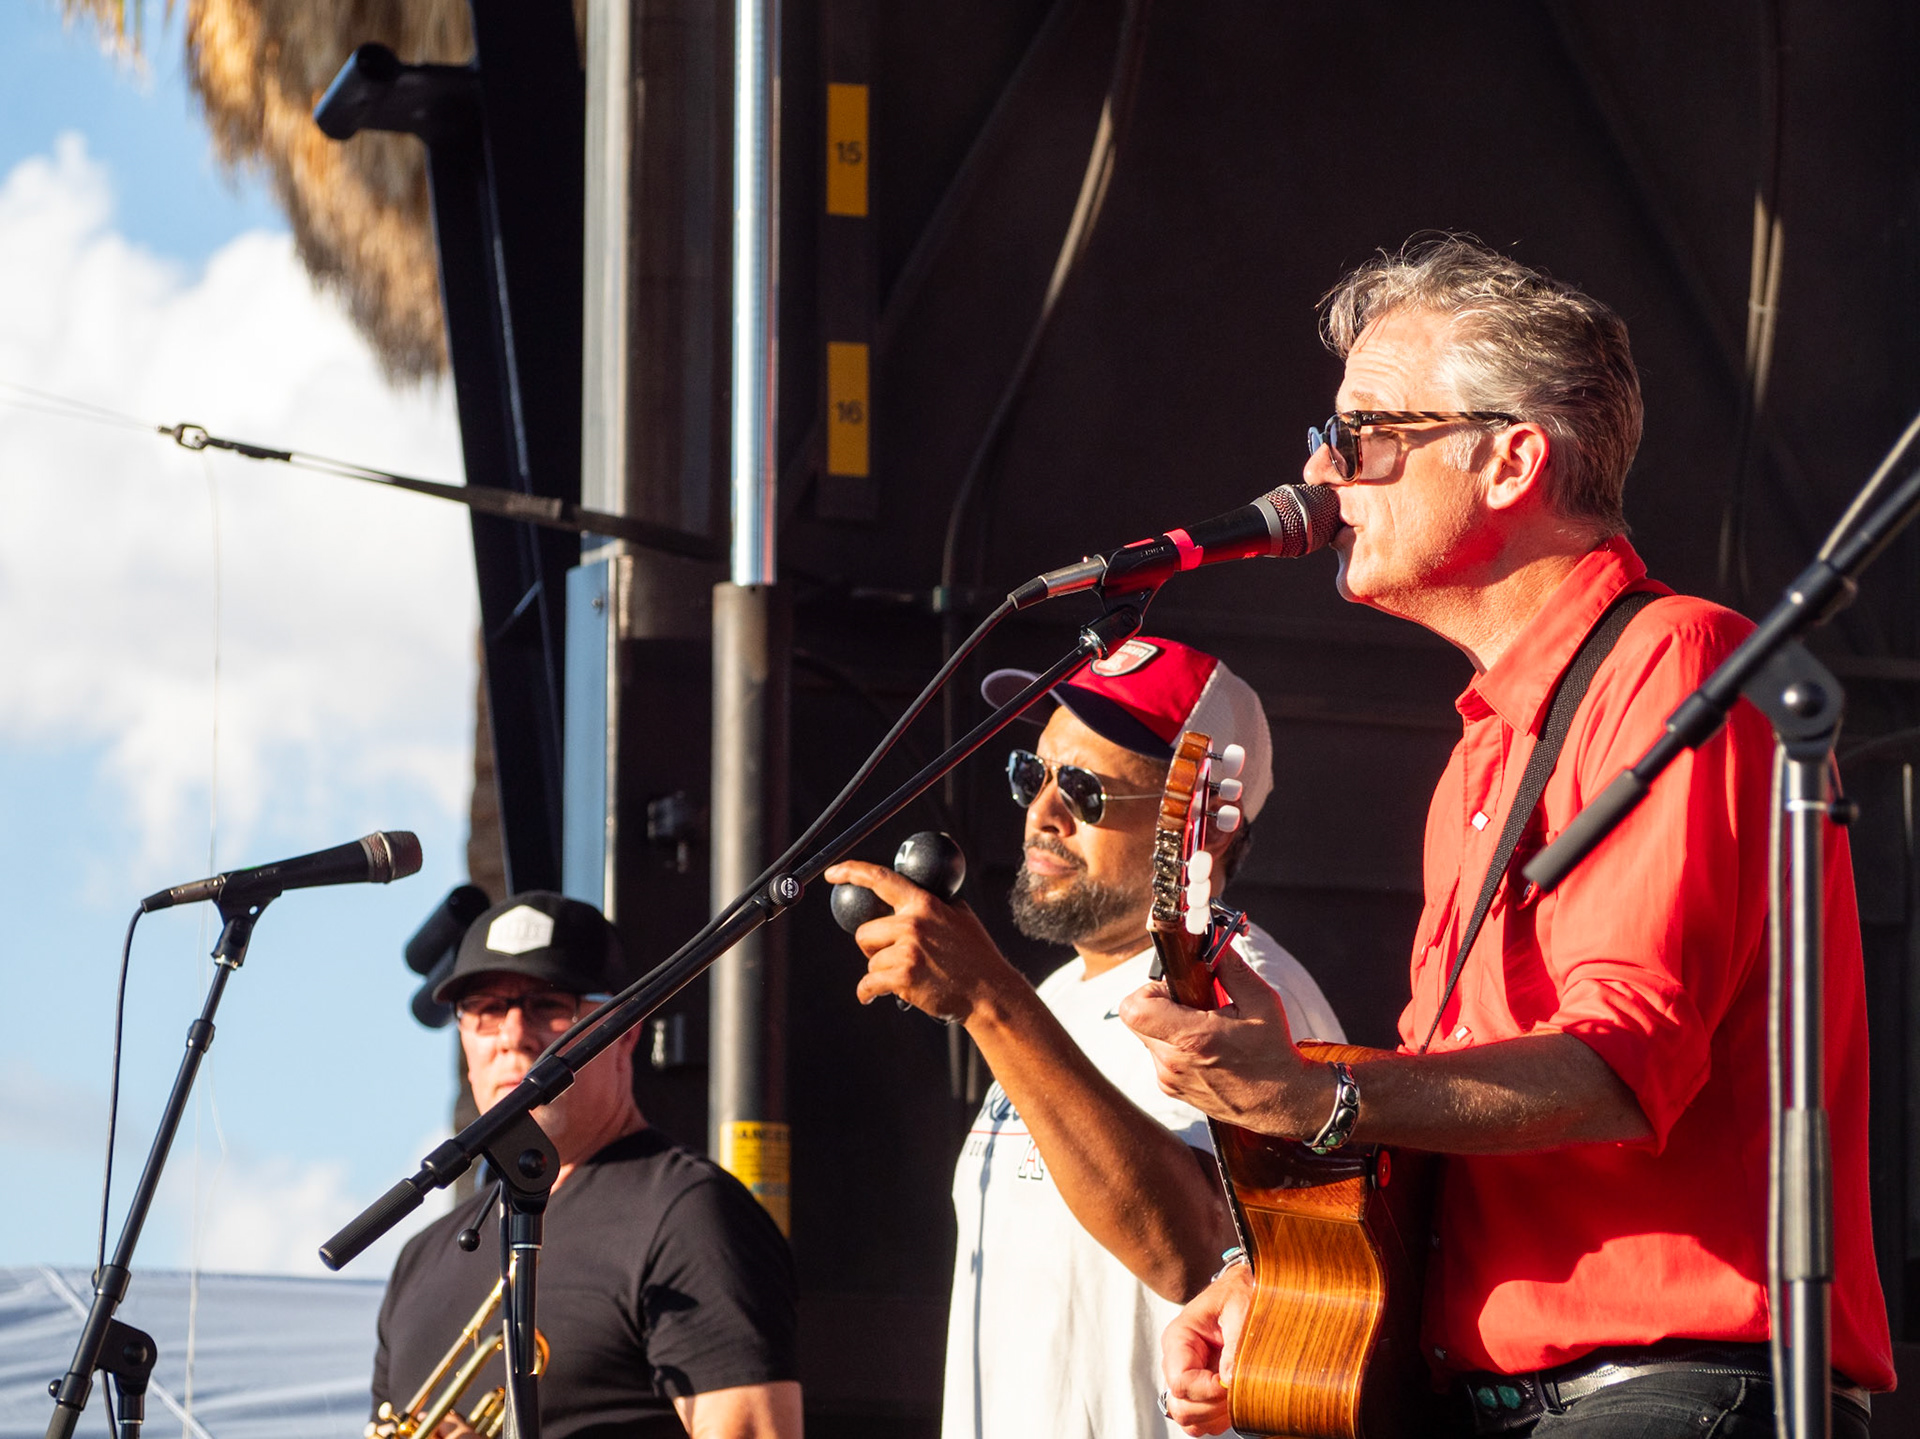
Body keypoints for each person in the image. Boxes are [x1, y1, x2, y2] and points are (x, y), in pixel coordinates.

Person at [1120, 237, 1896, 1437]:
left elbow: (1617, 1064)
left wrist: (1316, 1098)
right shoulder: (1486, 741)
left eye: (1364, 434)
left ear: (1511, 459)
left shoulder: (1676, 664)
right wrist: (1287, 1265)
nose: (1324, 476)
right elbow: (1453, 1117)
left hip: (1665, 1387)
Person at [825, 636, 1344, 1439]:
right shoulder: (1060, 996)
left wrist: (990, 1002)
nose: (1043, 812)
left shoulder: (1245, 999)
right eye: (1031, 775)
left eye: (1085, 790)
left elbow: (1190, 1252)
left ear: (1201, 823)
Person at [370, 892, 802, 1439]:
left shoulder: (688, 1215)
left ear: (624, 1030)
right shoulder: (418, 1261)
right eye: (485, 1010)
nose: (512, 1035)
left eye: (550, 1006)